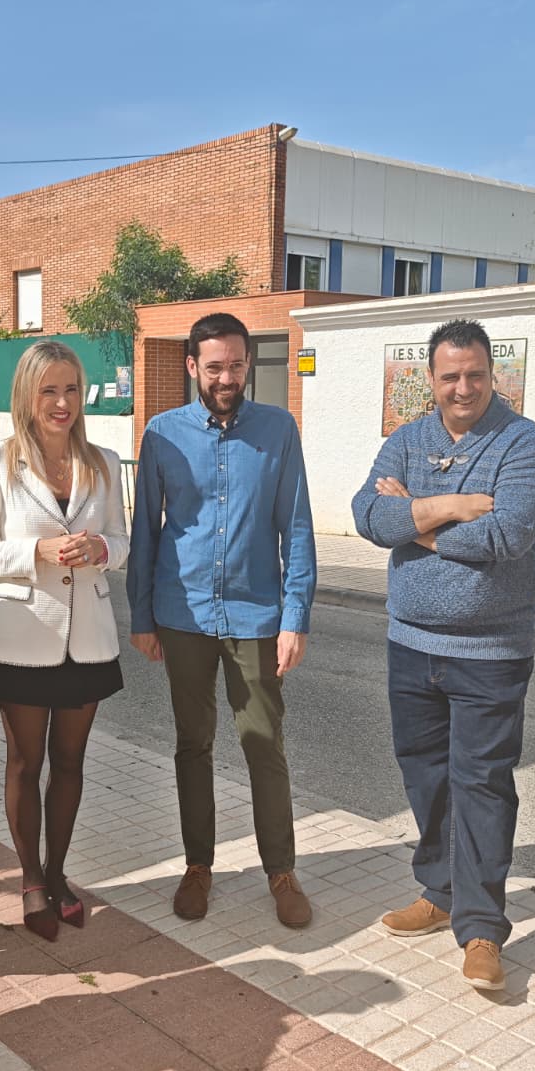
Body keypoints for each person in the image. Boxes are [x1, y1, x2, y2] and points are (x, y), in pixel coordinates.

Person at [350, 318, 535, 992]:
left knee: (482, 785)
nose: (462, 388)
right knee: (426, 777)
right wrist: (455, 504)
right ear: (431, 380)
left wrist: (416, 522)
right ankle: (439, 891)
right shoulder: (408, 439)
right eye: (450, 376)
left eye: (474, 375)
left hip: (491, 651)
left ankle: (482, 928)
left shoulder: (523, 442)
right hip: (410, 644)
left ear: (492, 374)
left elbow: (508, 536)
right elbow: (367, 516)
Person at [127, 312, 317, 929]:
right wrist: (142, 616)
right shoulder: (162, 434)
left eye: (236, 365)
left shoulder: (278, 430)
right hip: (181, 614)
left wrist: (295, 617)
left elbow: (297, 527)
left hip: (256, 615)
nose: (227, 377)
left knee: (264, 742)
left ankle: (280, 871)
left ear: (247, 363)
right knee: (193, 744)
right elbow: (146, 531)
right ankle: (197, 866)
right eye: (214, 367)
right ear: (192, 367)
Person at [0, 341, 128, 941]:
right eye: (48, 390)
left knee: (72, 762)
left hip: (88, 639)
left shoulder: (105, 462)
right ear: (26, 397)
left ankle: (58, 875)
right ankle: (31, 878)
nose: (62, 403)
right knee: (25, 762)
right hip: (22, 640)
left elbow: (123, 542)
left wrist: (101, 548)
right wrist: (36, 551)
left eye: (71, 389)